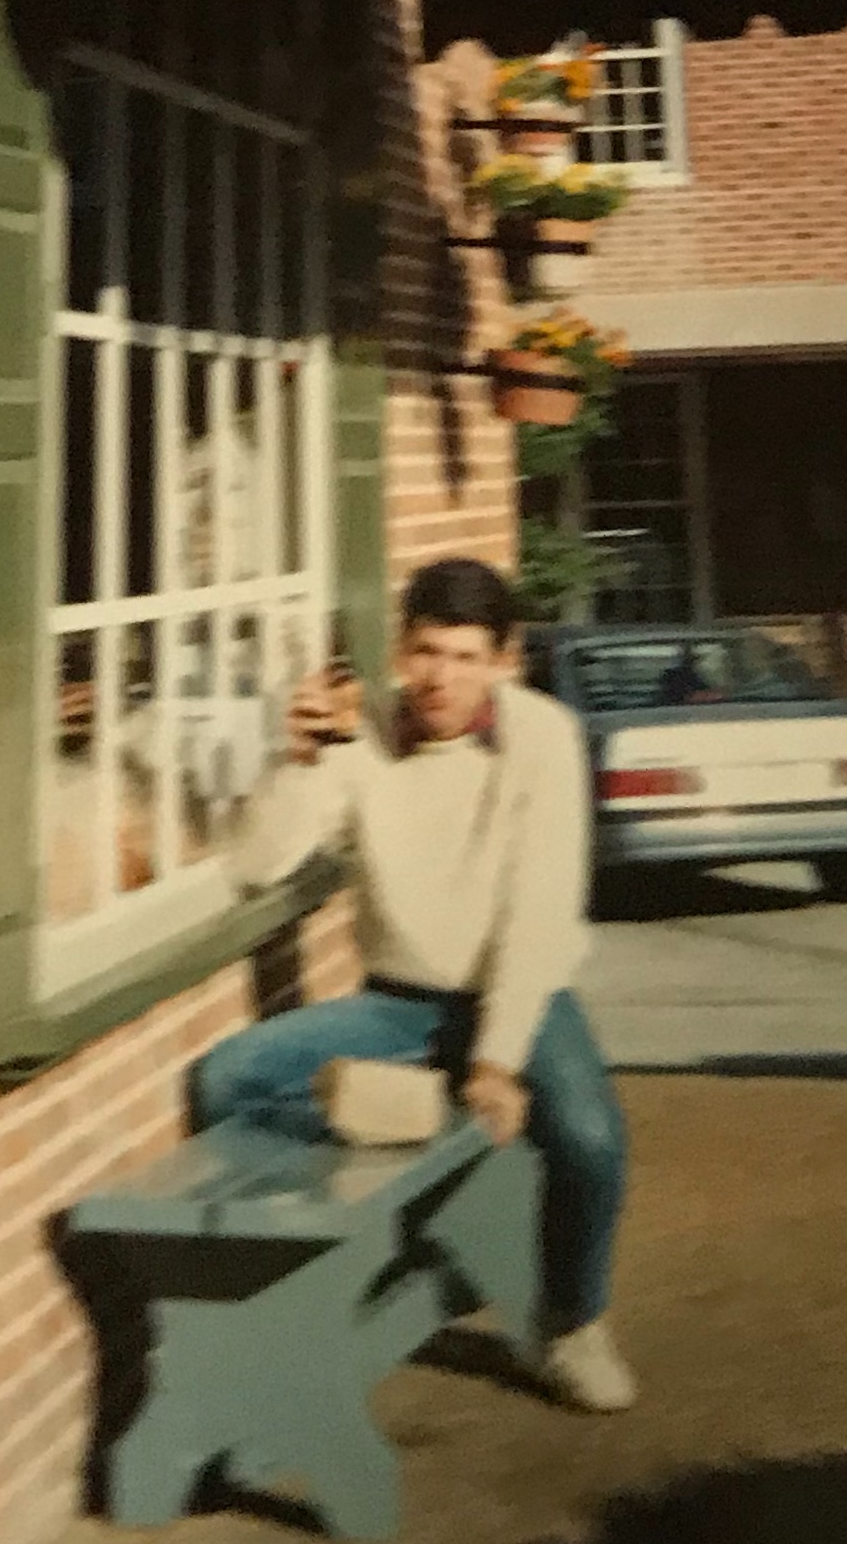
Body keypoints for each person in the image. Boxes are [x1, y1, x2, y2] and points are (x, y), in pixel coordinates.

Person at [194, 557, 637, 1414]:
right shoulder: (361, 740)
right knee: (227, 1079)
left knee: (590, 1141)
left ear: (505, 658)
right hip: (398, 1000)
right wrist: (304, 760)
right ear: (402, 648)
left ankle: (571, 1321)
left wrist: (498, 1061)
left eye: (467, 656)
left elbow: (538, 914)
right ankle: (323, 1273)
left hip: (520, 995)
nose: (442, 677)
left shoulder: (543, 736)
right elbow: (256, 867)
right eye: (428, 652)